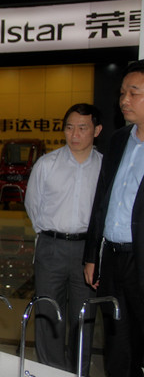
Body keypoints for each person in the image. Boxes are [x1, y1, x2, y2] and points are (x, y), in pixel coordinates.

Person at [25, 104, 102, 375]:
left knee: (84, 317)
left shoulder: (105, 166)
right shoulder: (47, 164)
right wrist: (50, 234)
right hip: (52, 246)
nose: (74, 134)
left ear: (97, 130)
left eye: (82, 128)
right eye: (69, 127)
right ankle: (51, 372)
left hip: (88, 251)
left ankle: (78, 371)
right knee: (48, 313)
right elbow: (32, 204)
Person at [84, 60, 144, 377]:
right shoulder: (119, 139)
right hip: (113, 258)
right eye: (122, 93)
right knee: (116, 340)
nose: (124, 100)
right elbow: (101, 202)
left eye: (133, 93)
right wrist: (92, 255)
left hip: (140, 257)